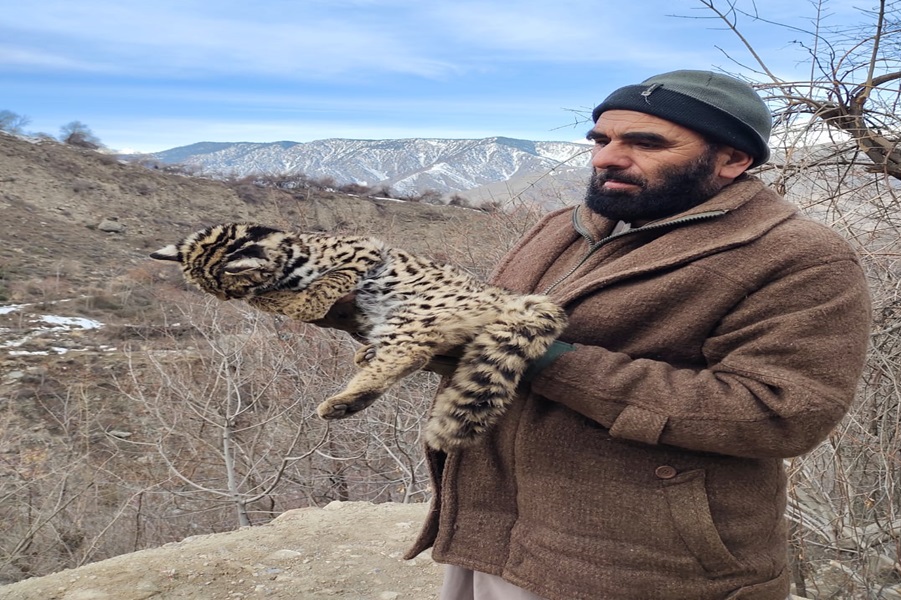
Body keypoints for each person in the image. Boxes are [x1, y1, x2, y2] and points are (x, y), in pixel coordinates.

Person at [318, 70, 872, 599]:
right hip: (493, 526)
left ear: (733, 160)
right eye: (601, 139)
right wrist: (361, 307)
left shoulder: (798, 257)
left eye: (646, 143)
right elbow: (484, 327)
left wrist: (540, 357)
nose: (607, 157)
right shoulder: (565, 225)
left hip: (638, 563)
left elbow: (779, 413)